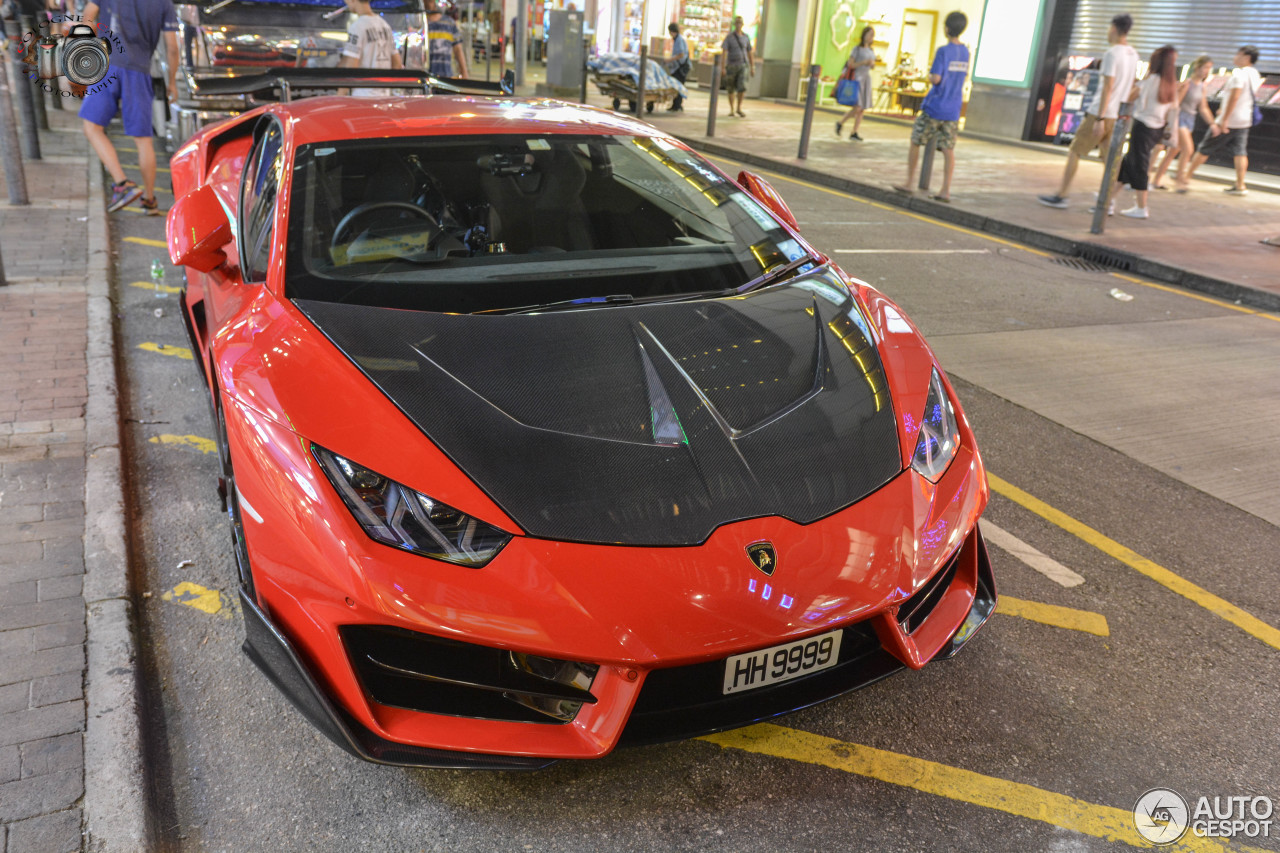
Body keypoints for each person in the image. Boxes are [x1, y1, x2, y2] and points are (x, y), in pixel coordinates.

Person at [78, 0, 179, 215]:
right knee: (143, 140)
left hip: (108, 64)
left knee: (92, 128)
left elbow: (88, 16)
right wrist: (171, 82)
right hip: (140, 71)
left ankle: (122, 183)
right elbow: (172, 48)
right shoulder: (165, 4)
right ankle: (149, 200)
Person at [1038, 13, 1138, 210]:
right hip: (1117, 114)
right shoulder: (1133, 54)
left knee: (1075, 151)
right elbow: (1131, 85)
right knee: (1110, 160)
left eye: (1109, 28)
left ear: (1115, 29)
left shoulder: (1112, 54)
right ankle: (1106, 202)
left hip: (1100, 113)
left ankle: (1062, 195)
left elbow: (1108, 86)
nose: (1108, 32)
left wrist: (1100, 118)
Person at [892, 11, 968, 202]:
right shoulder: (966, 52)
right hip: (953, 108)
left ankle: (909, 182)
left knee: (916, 140)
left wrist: (928, 76)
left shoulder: (943, 51)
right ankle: (945, 190)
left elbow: (936, 78)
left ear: (947, 28)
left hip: (935, 105)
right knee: (948, 149)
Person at [1105, 45, 1178, 219]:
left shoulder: (1150, 80)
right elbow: (1173, 109)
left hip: (1142, 127)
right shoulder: (1170, 84)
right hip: (1157, 129)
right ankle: (1108, 201)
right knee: (1129, 164)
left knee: (1138, 167)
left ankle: (1141, 207)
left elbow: (1129, 97)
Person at [1183, 46, 1261, 196]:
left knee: (1205, 147)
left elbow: (1235, 97)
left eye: (1238, 54)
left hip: (1230, 120)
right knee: (1240, 152)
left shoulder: (1239, 75)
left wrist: (1224, 118)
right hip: (1245, 119)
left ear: (1246, 57)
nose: (1235, 57)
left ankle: (1185, 176)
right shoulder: (1255, 74)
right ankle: (1240, 184)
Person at [1151, 55, 1213, 190]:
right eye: (1206, 67)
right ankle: (1179, 179)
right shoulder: (1187, 84)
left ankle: (1157, 180)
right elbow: (1176, 104)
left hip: (1190, 120)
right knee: (1188, 149)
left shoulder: (1202, 87)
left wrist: (1212, 124)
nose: (1207, 71)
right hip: (1180, 119)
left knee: (1173, 152)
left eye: (1209, 68)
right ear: (1197, 67)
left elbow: (1203, 107)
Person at [337, 0, 402, 97]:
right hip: (385, 96)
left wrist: (339, 97)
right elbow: (397, 64)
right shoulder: (385, 26)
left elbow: (351, 69)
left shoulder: (357, 27)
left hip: (363, 96)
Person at [835, 25, 875, 140]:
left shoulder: (871, 50)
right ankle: (840, 122)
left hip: (866, 79)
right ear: (864, 35)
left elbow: (872, 66)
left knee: (862, 109)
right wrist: (863, 62)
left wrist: (872, 64)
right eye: (870, 34)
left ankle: (854, 131)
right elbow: (850, 64)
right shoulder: (856, 49)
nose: (871, 37)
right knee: (857, 107)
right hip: (857, 79)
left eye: (873, 35)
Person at [720, 16, 752, 118]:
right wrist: (723, 67)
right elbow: (724, 52)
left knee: (742, 87)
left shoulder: (746, 37)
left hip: (743, 65)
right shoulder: (729, 37)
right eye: (737, 23)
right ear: (734, 24)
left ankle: (739, 108)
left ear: (742, 25)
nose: (738, 25)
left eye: (740, 23)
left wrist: (752, 66)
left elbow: (750, 52)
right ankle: (732, 109)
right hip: (731, 66)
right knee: (731, 88)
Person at [426, 0, 468, 78]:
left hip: (445, 78)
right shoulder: (420, 24)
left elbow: (458, 50)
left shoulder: (449, 23)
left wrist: (464, 73)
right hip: (425, 78)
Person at [666, 22, 689, 112]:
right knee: (677, 85)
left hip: (680, 67)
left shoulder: (679, 40)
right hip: (678, 66)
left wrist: (670, 59)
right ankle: (676, 104)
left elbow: (681, 54)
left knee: (678, 86)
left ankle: (677, 105)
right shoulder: (677, 39)